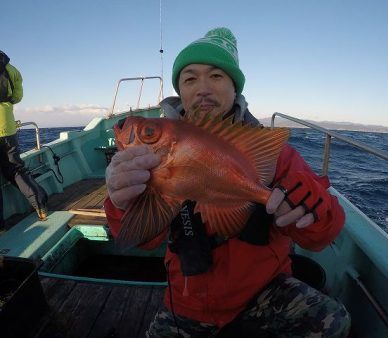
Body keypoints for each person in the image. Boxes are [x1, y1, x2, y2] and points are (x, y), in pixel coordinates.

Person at [104, 28, 351, 337]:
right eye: (190, 79)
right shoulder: (147, 159)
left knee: (333, 321)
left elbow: (321, 236)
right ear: (180, 90)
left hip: (266, 289)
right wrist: (121, 203)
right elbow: (144, 240)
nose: (203, 89)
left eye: (217, 76)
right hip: (187, 302)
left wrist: (316, 205)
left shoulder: (274, 154)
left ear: (235, 88)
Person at [0, 50, 48, 229]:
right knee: (15, 169)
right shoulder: (10, 68)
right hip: (7, 126)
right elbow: (17, 97)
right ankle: (41, 205)